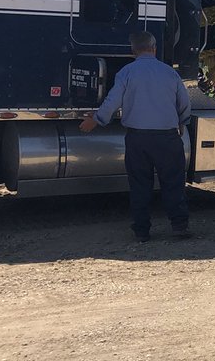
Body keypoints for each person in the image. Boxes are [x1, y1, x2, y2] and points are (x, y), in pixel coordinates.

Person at [80, 31, 192, 242]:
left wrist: (95, 119)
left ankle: (142, 231)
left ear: (133, 50)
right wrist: (182, 122)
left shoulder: (126, 73)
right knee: (173, 182)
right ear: (154, 47)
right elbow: (184, 102)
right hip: (167, 138)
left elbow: (113, 101)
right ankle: (179, 226)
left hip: (137, 139)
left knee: (140, 184)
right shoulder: (170, 73)